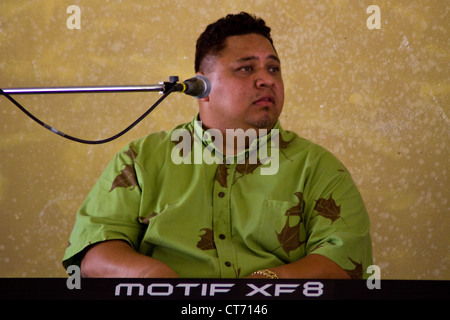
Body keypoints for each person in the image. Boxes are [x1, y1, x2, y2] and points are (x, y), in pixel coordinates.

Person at [62, 12, 372, 279]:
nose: (267, 80)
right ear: (202, 88)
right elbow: (94, 255)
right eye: (247, 68)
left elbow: (344, 262)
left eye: (273, 68)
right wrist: (154, 277)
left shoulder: (317, 166)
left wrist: (262, 285)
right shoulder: (142, 159)